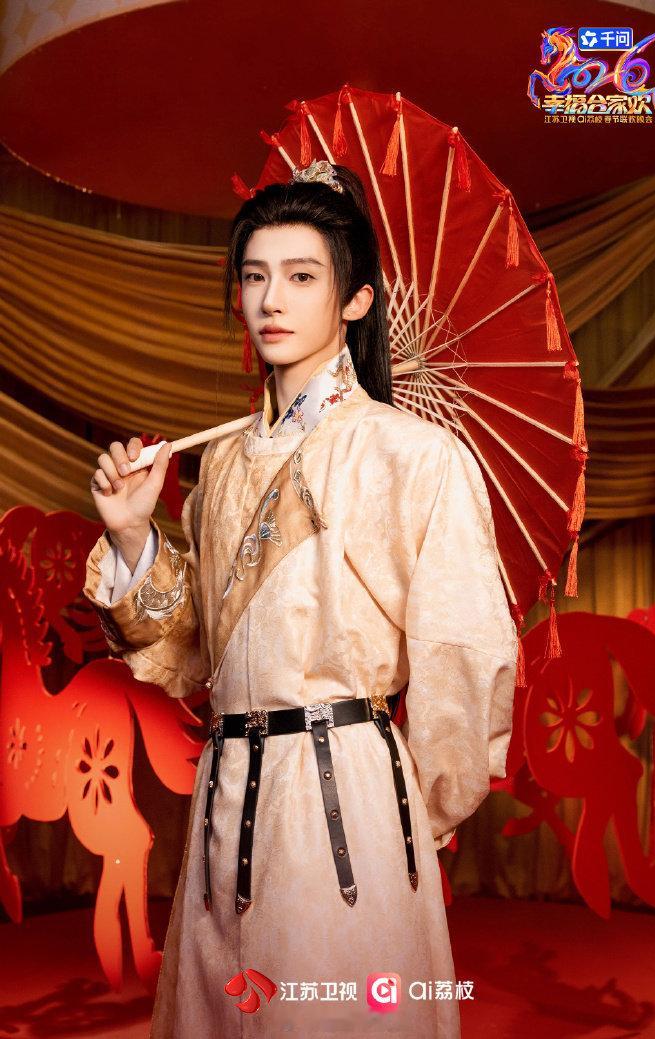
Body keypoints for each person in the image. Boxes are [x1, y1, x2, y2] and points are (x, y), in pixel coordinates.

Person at [82, 159, 518, 1038]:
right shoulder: (222, 465)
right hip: (226, 794)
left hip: (345, 791)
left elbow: (465, 652)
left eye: (302, 276)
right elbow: (194, 650)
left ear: (356, 299)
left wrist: (409, 808)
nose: (270, 299)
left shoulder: (413, 456)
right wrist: (132, 536)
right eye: (254, 276)